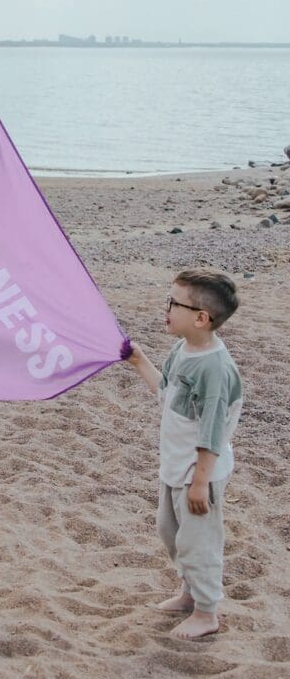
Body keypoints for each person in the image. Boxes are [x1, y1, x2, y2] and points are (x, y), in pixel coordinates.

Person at [126, 268, 242, 640]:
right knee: (170, 531)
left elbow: (211, 430)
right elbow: (166, 394)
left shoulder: (214, 368)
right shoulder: (183, 349)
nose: (166, 308)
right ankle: (190, 593)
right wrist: (138, 359)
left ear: (200, 317)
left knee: (199, 541)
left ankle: (207, 612)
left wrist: (200, 482)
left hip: (199, 471)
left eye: (174, 303)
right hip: (175, 463)